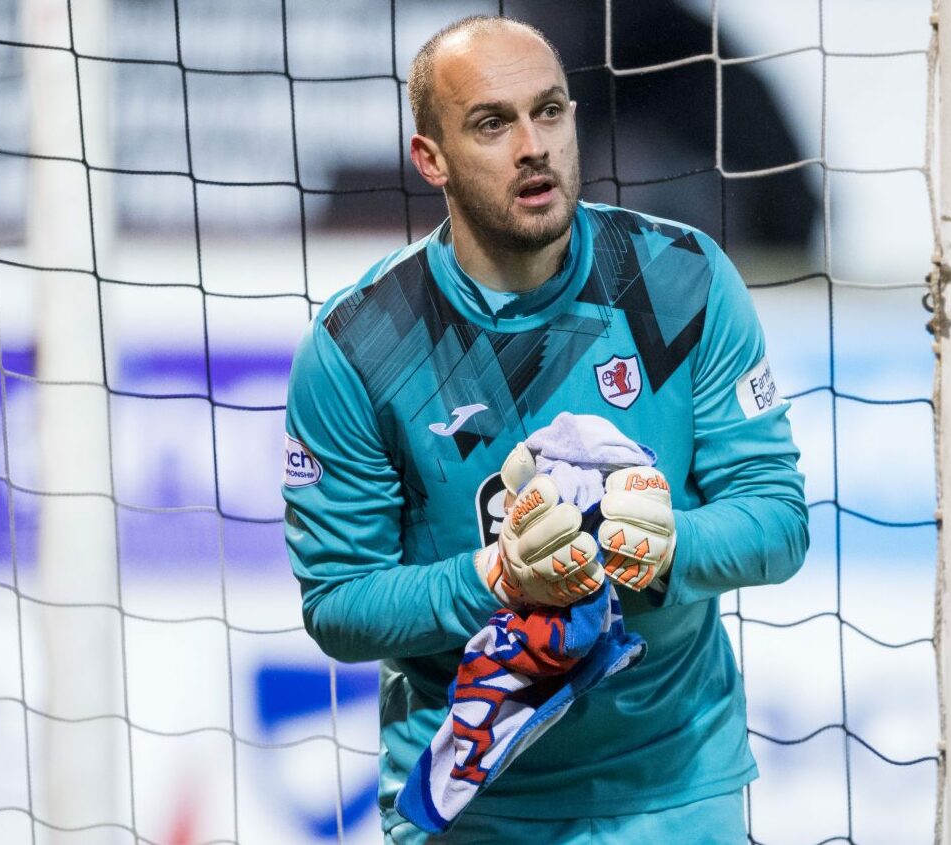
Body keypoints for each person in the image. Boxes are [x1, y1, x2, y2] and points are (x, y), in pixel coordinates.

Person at [282, 15, 808, 844]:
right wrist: (496, 578)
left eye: (550, 111)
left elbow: (777, 521)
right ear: (430, 159)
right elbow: (339, 602)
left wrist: (668, 548)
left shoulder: (681, 279)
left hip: (672, 789)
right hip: (473, 805)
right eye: (492, 123)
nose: (533, 145)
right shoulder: (358, 343)